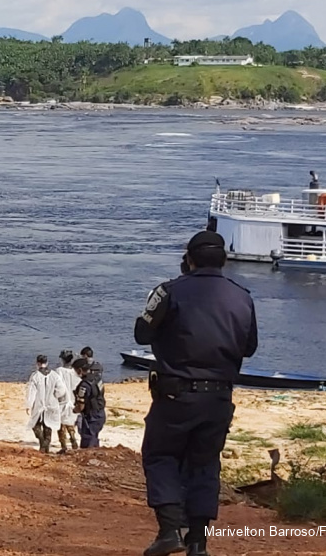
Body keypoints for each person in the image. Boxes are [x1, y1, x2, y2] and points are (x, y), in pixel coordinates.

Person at [135, 230, 258, 556]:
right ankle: (198, 544)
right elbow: (250, 348)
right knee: (204, 465)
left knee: (160, 455)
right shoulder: (243, 296)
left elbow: (141, 334)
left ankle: (169, 530)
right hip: (219, 398)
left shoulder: (168, 291)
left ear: (188, 259)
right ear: (225, 260)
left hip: (175, 395)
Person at [25, 354, 67, 454]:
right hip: (51, 404)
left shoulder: (35, 376)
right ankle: (45, 447)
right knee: (48, 427)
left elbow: (31, 392)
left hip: (39, 404)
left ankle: (43, 443)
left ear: (38, 363)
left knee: (36, 425)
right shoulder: (54, 375)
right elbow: (61, 390)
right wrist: (55, 396)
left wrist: (28, 405)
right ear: (47, 363)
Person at [73, 358, 106, 449]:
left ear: (79, 370)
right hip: (101, 413)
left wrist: (74, 410)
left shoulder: (84, 385)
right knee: (94, 438)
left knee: (88, 442)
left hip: (91, 416)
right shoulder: (97, 378)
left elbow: (81, 406)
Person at [55, 349, 80, 452]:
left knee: (60, 423)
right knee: (70, 420)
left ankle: (64, 446)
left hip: (62, 399)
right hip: (73, 399)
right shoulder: (76, 372)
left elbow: (57, 386)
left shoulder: (59, 371)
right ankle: (73, 438)